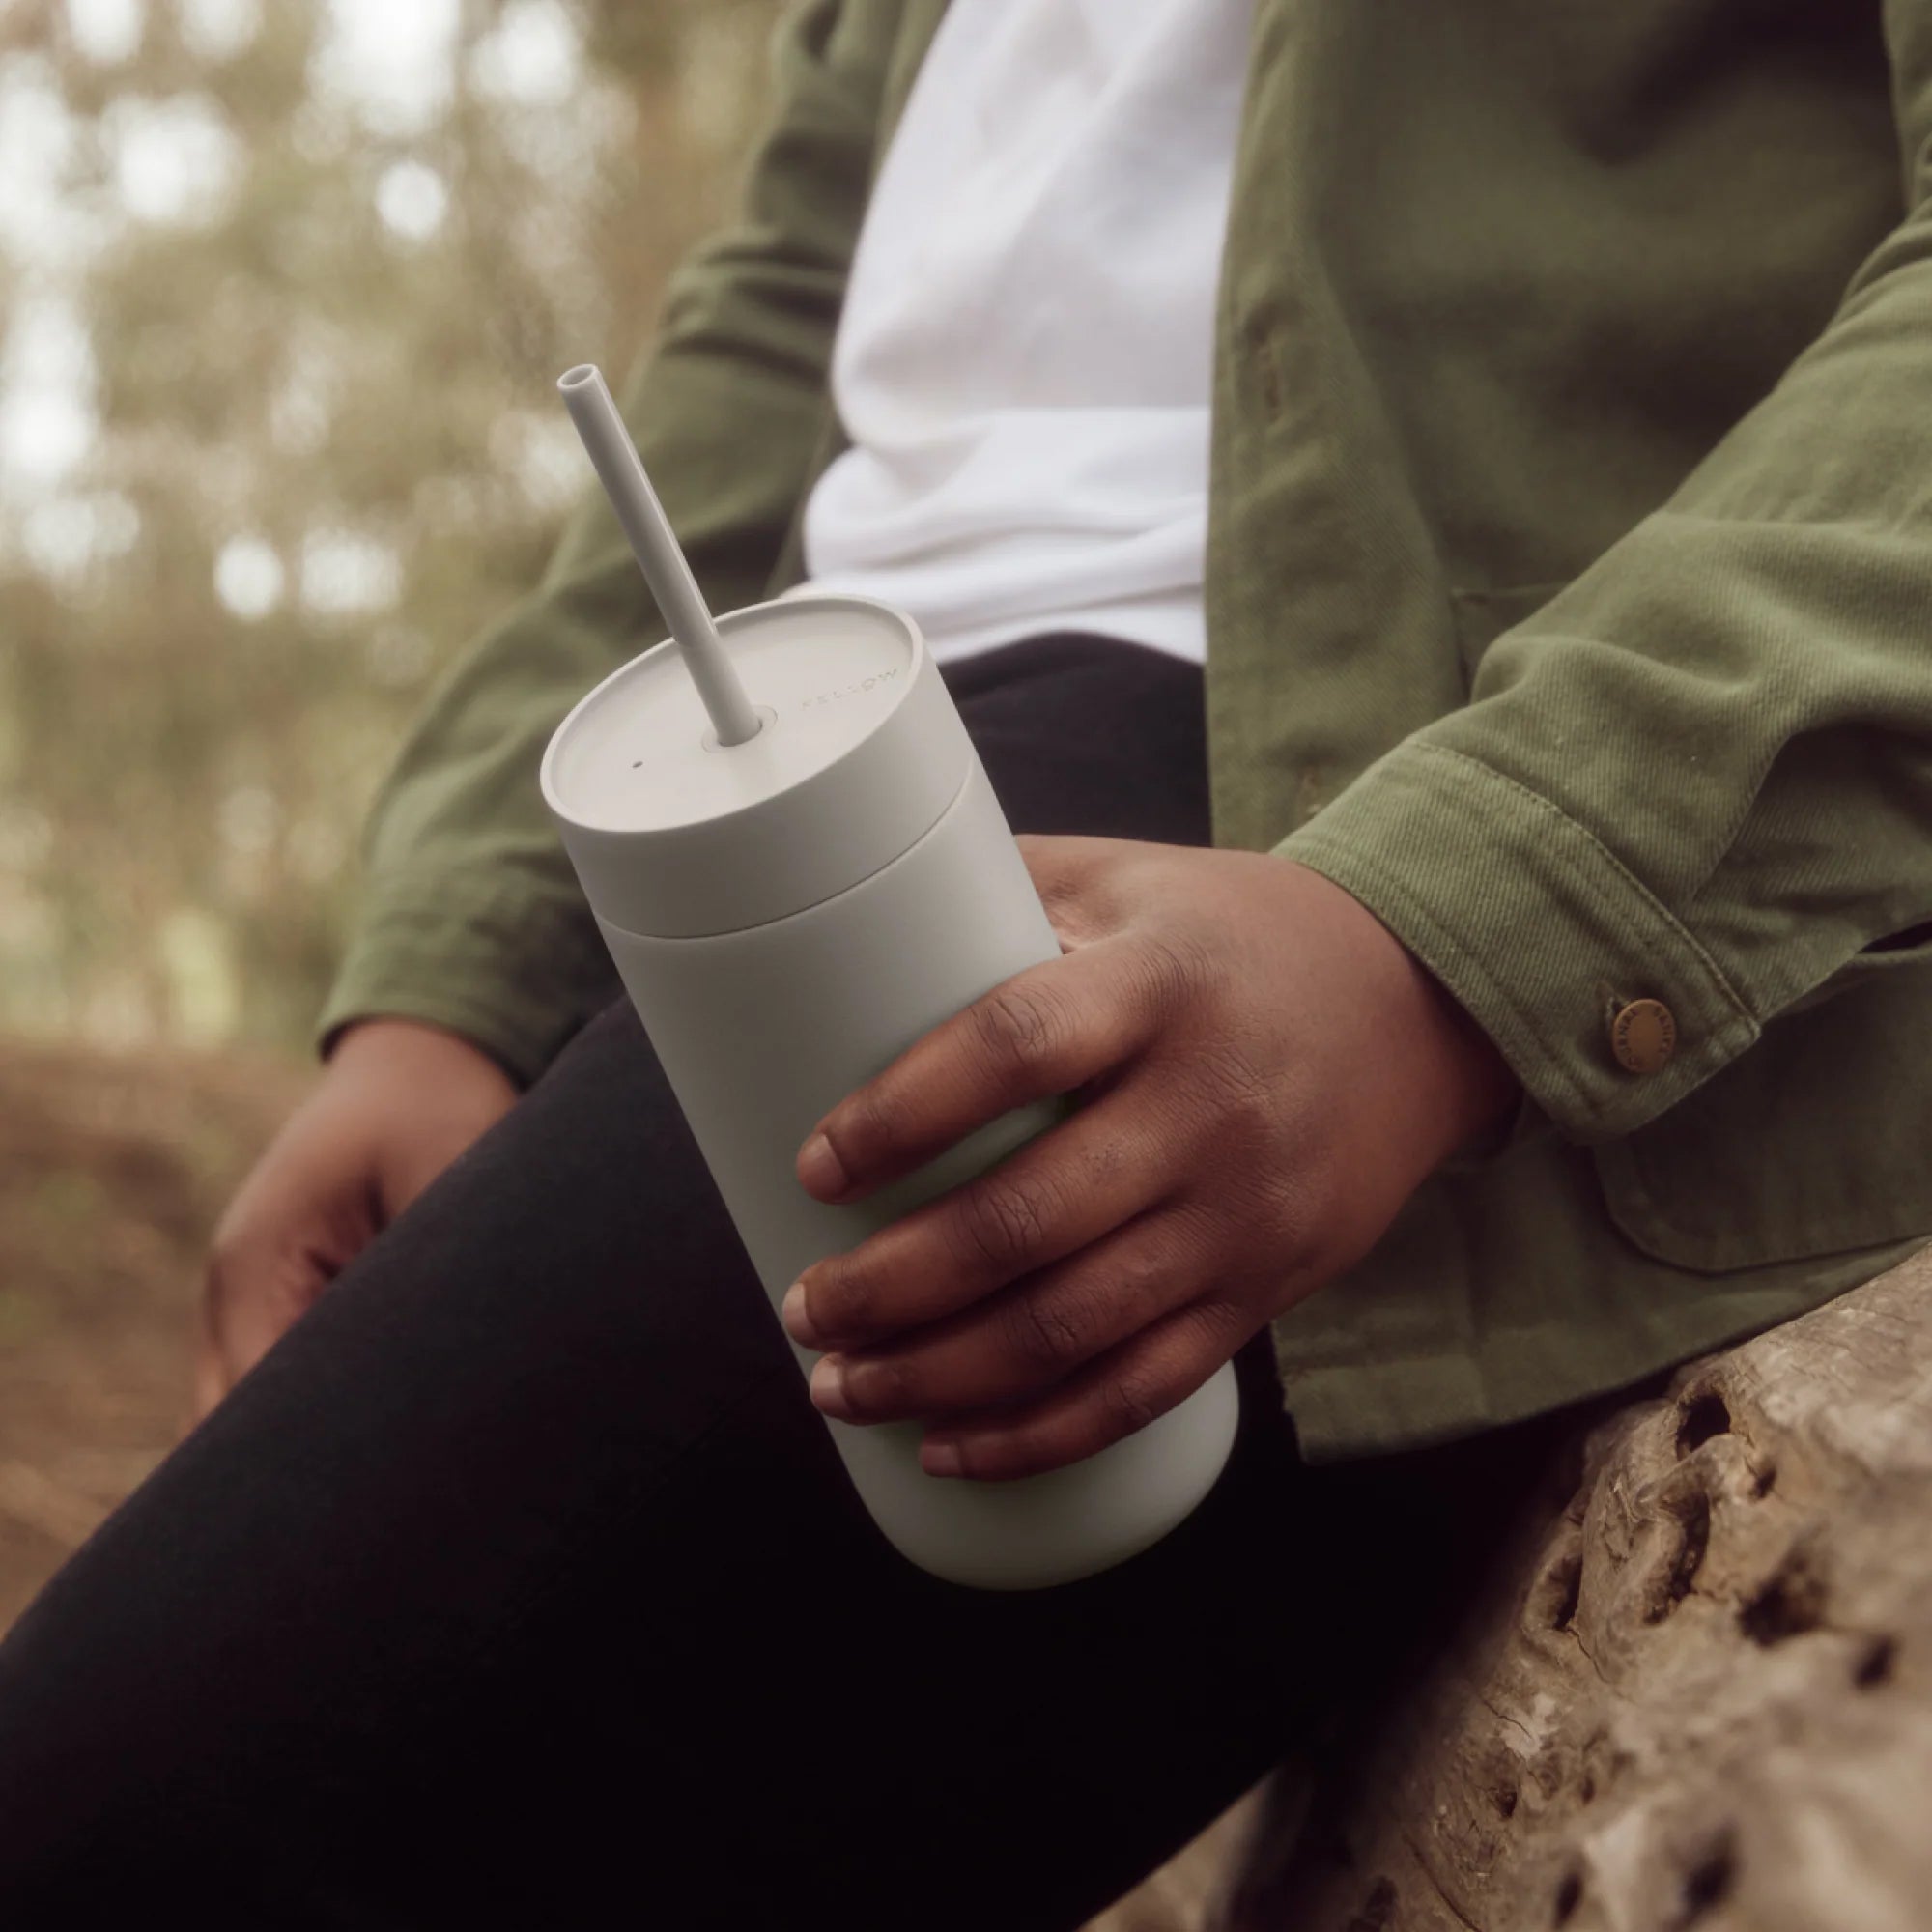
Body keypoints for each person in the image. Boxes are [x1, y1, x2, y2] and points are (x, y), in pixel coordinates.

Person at [4, 0, 1932, 1921]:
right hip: (784, 816)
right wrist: (458, 972)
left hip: (1277, 853)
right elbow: (777, 322)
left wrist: (1450, 932)